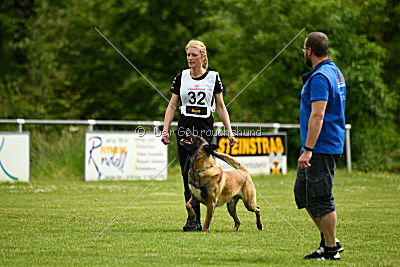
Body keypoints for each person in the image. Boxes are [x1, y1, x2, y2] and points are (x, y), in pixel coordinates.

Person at [161, 40, 236, 231]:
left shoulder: (213, 77)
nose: (190, 58)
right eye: (188, 55)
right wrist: (165, 129)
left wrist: (229, 131)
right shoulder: (181, 77)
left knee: (200, 173)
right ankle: (192, 218)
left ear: (203, 56)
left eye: (194, 55)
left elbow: (220, 106)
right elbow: (172, 105)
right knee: (186, 173)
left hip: (204, 130)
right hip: (185, 128)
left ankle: (202, 214)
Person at [294, 32, 346, 260]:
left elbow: (318, 115)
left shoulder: (320, 78)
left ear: (309, 51)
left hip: (320, 147)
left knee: (322, 197)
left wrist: (308, 149)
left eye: (303, 48)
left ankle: (331, 249)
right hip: (321, 145)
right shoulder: (335, 72)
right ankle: (330, 241)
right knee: (302, 195)